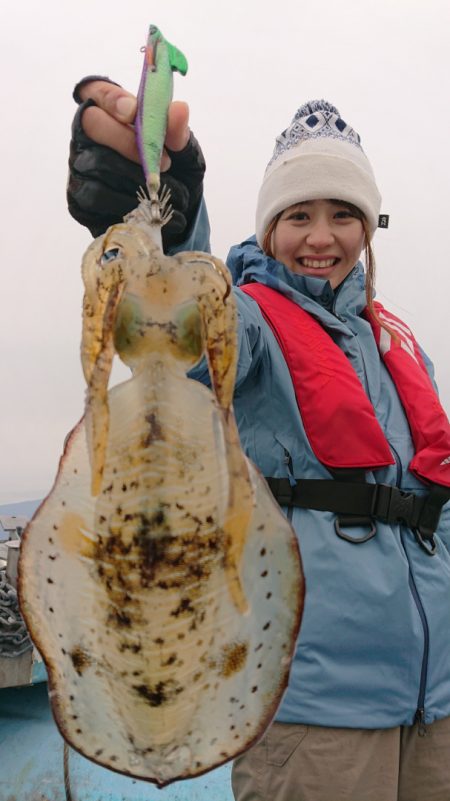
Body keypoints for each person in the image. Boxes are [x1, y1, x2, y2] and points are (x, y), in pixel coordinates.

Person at [67, 79, 450, 801]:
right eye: (298, 214)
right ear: (269, 228)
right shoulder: (248, 323)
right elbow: (181, 328)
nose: (320, 236)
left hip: (435, 705)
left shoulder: (397, 345)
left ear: (368, 226)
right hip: (316, 715)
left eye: (343, 214)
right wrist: (168, 227)